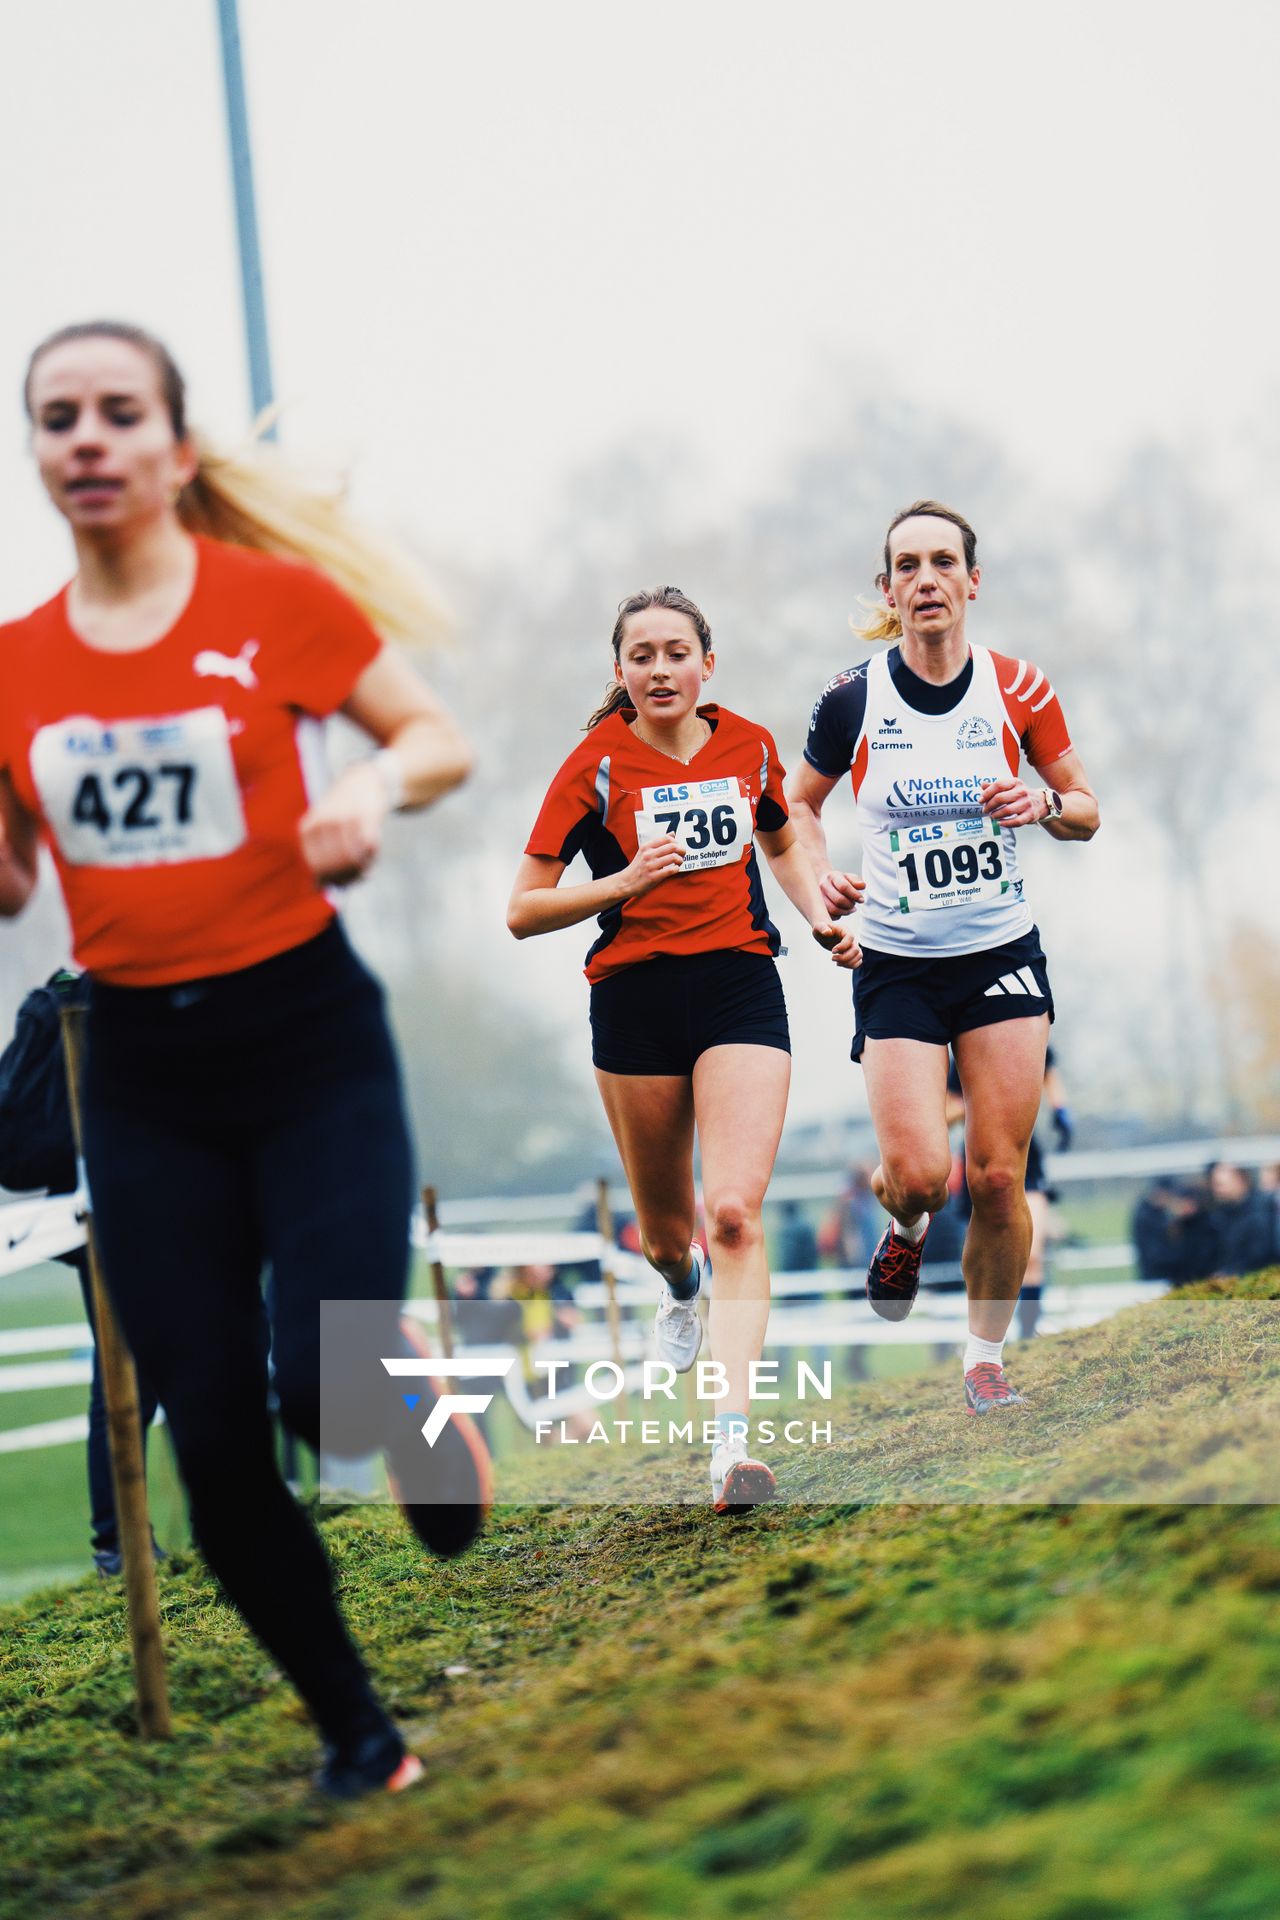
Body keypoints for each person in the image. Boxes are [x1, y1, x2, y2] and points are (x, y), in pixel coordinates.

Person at [0, 320, 485, 1798]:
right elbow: (15, 883)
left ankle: (418, 1413)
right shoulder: (15, 665)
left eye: (117, 413)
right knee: (209, 1443)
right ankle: (358, 1733)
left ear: (175, 450)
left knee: (321, 1378)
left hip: (308, 1047)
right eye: (58, 417)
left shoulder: (272, 604)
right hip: (143, 1082)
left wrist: (375, 793)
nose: (86, 437)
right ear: (38, 455)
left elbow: (434, 737)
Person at [507, 586, 859, 1507]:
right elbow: (522, 909)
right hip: (634, 1003)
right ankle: (679, 1283)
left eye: (676, 652)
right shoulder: (594, 767)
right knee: (670, 1235)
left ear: (708, 662)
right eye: (641, 656)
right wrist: (620, 879)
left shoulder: (750, 746)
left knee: (735, 1210)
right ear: (619, 673)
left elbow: (782, 842)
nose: (660, 669)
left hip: (741, 984)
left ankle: (730, 1445)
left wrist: (820, 916)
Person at [787, 500, 1099, 1414]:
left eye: (942, 562)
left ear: (972, 579)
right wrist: (821, 883)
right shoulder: (852, 698)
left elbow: (1085, 806)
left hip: (1000, 954)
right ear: (889, 588)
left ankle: (982, 1360)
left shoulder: (1021, 689)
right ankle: (907, 1224)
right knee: (924, 1173)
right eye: (907, 565)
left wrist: (1040, 806)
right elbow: (795, 806)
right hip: (897, 965)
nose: (926, 579)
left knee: (999, 1175)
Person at [946, 1044, 1072, 1336]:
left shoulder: (1025, 1036)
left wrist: (1060, 1109)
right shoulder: (964, 1054)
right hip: (981, 1163)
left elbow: (1048, 1070)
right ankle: (988, 1340)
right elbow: (948, 1110)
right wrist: (976, 1101)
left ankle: (1029, 1333)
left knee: (1032, 1251)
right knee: (990, 1261)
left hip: (1025, 1158)